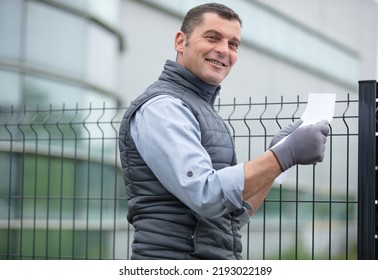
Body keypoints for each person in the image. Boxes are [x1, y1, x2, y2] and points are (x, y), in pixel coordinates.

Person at [118, 3, 329, 260]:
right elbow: (206, 194)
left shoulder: (200, 109)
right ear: (180, 41)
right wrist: (282, 155)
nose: (223, 50)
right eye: (212, 37)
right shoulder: (164, 107)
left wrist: (277, 160)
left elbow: (231, 217)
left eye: (233, 44)